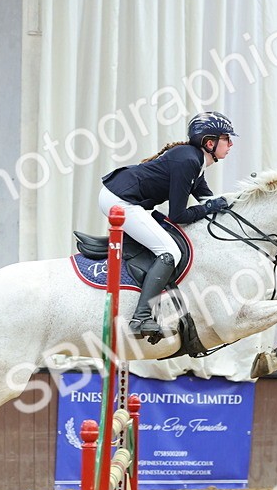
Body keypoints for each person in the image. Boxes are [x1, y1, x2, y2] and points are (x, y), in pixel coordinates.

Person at [99, 111, 237, 336]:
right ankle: (141, 317)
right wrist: (210, 207)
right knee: (170, 251)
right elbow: (178, 215)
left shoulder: (195, 160)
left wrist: (234, 204)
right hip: (120, 200)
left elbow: (207, 200)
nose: (230, 144)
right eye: (226, 139)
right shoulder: (188, 161)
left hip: (123, 197)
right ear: (209, 142)